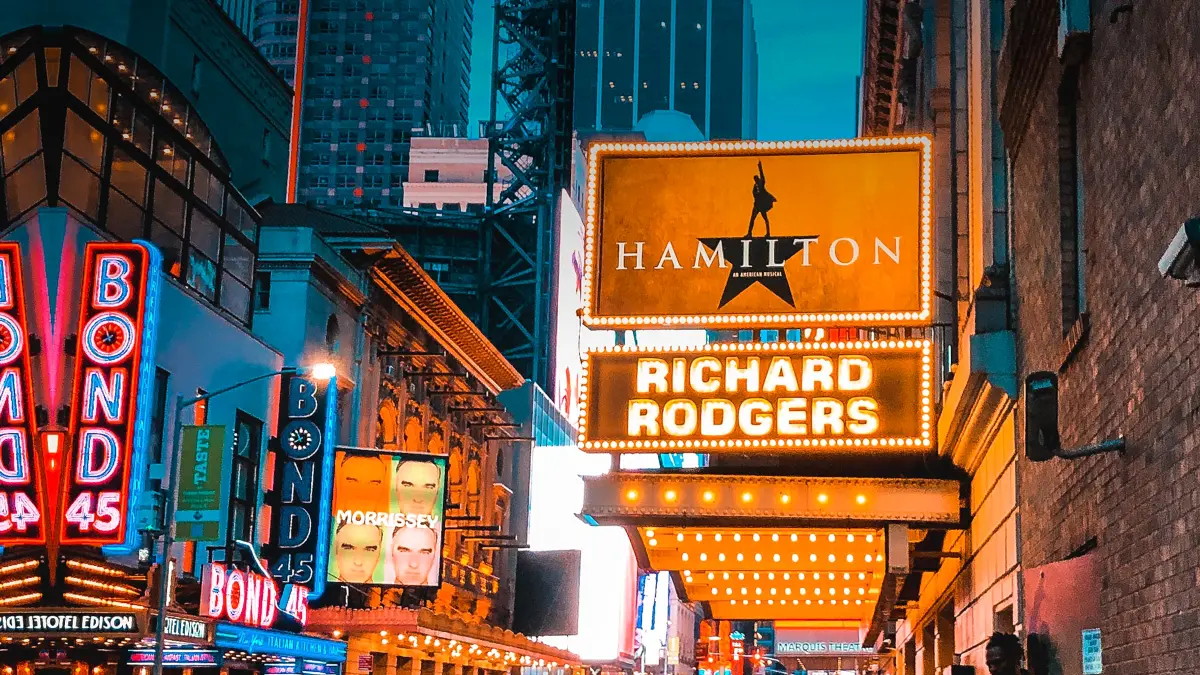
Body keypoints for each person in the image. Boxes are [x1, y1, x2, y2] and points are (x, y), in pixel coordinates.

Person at [745, 161, 777, 237]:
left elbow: (762, 175)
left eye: (756, 178)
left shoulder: (761, 183)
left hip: (761, 205)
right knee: (752, 219)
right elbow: (754, 194)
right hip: (757, 205)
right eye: (755, 179)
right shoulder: (755, 186)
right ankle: (749, 233)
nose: (756, 180)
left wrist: (760, 167)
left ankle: (768, 233)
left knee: (765, 219)